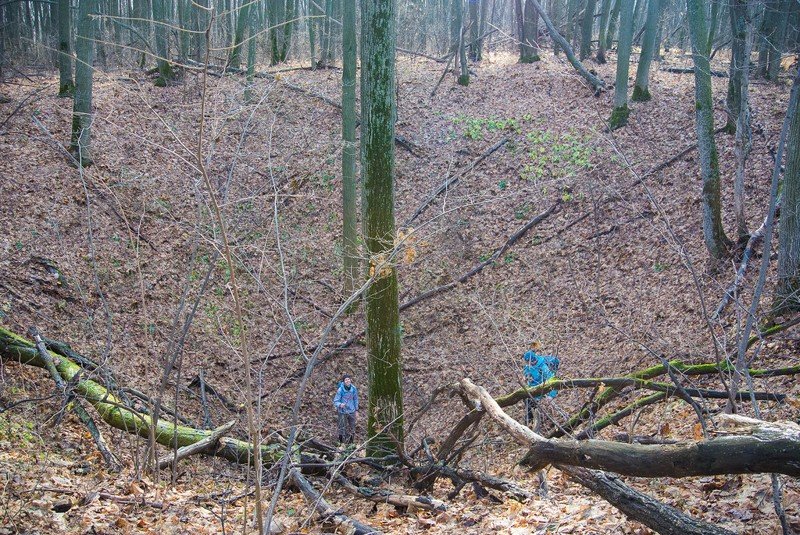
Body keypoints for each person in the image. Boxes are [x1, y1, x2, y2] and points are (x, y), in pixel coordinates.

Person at [523, 343, 560, 428]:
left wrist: (551, 395)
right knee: (527, 401)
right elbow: (527, 379)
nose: (530, 364)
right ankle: (531, 421)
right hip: (534, 390)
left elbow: (553, 381)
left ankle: (553, 423)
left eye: (531, 362)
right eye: (528, 362)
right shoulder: (527, 368)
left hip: (543, 389)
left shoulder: (543, 367)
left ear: (534, 359)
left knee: (548, 407)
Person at [333, 374, 359, 445]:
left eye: (348, 379)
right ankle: (341, 443)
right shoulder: (340, 390)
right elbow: (335, 401)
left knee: (352, 427)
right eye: (346, 380)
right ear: (343, 381)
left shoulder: (353, 388)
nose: (347, 381)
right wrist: (340, 404)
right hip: (342, 411)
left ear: (350, 380)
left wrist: (356, 410)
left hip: (352, 410)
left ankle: (351, 443)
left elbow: (356, 399)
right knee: (342, 427)